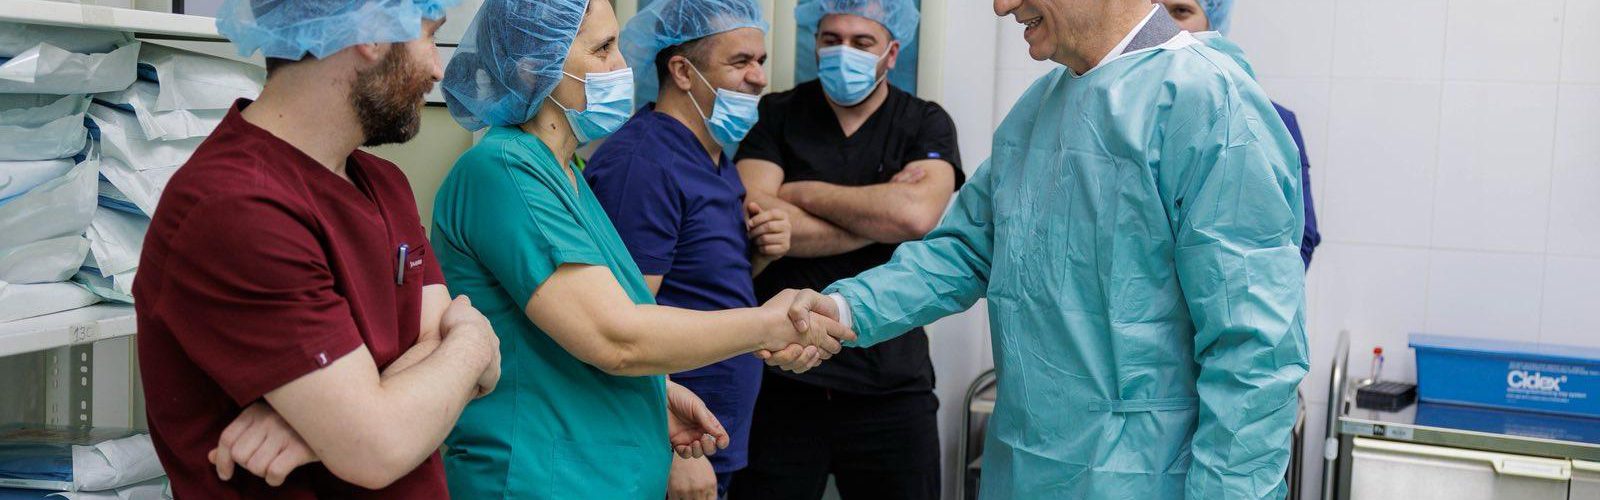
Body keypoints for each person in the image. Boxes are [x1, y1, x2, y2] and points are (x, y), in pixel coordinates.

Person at [765, 0, 1311, 498]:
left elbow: (1253, 350)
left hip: (1147, 477)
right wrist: (842, 309)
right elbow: (963, 251)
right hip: (1025, 466)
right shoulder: (1041, 107)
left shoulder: (1211, 103)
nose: (1003, 6)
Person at [432, 0, 852, 498]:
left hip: (601, 475)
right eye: (603, 49)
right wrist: (770, 323)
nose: (623, 67)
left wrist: (656, 392)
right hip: (539, 478)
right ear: (533, 66)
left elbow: (588, 324)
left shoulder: (565, 175)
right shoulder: (504, 170)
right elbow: (616, 337)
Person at [134, 1, 505, 497]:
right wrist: (474, 339)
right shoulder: (235, 207)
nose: (438, 69)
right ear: (371, 32)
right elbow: (379, 448)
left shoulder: (383, 183)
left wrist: (354, 417)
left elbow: (474, 376)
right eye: (430, 36)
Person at [727, 1, 961, 498]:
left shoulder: (924, 122)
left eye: (862, 42)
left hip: (891, 386)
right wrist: (882, 216)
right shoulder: (777, 114)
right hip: (784, 380)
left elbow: (916, 216)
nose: (843, 52)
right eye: (831, 39)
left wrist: (799, 192)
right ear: (815, 43)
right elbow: (757, 218)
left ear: (891, 53)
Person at [583, 0, 782, 498]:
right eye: (740, 62)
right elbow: (619, 326)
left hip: (712, 440)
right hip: (667, 447)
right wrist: (671, 449)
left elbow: (701, 284)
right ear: (683, 72)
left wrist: (761, 254)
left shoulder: (713, 159)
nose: (759, 77)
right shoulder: (643, 165)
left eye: (761, 60)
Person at [1154, 0, 1322, 267]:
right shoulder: (1122, 113)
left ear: (1213, 21)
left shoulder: (1269, 120)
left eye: (1181, 11)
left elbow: (1300, 239)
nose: (1163, 23)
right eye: (1154, 9)